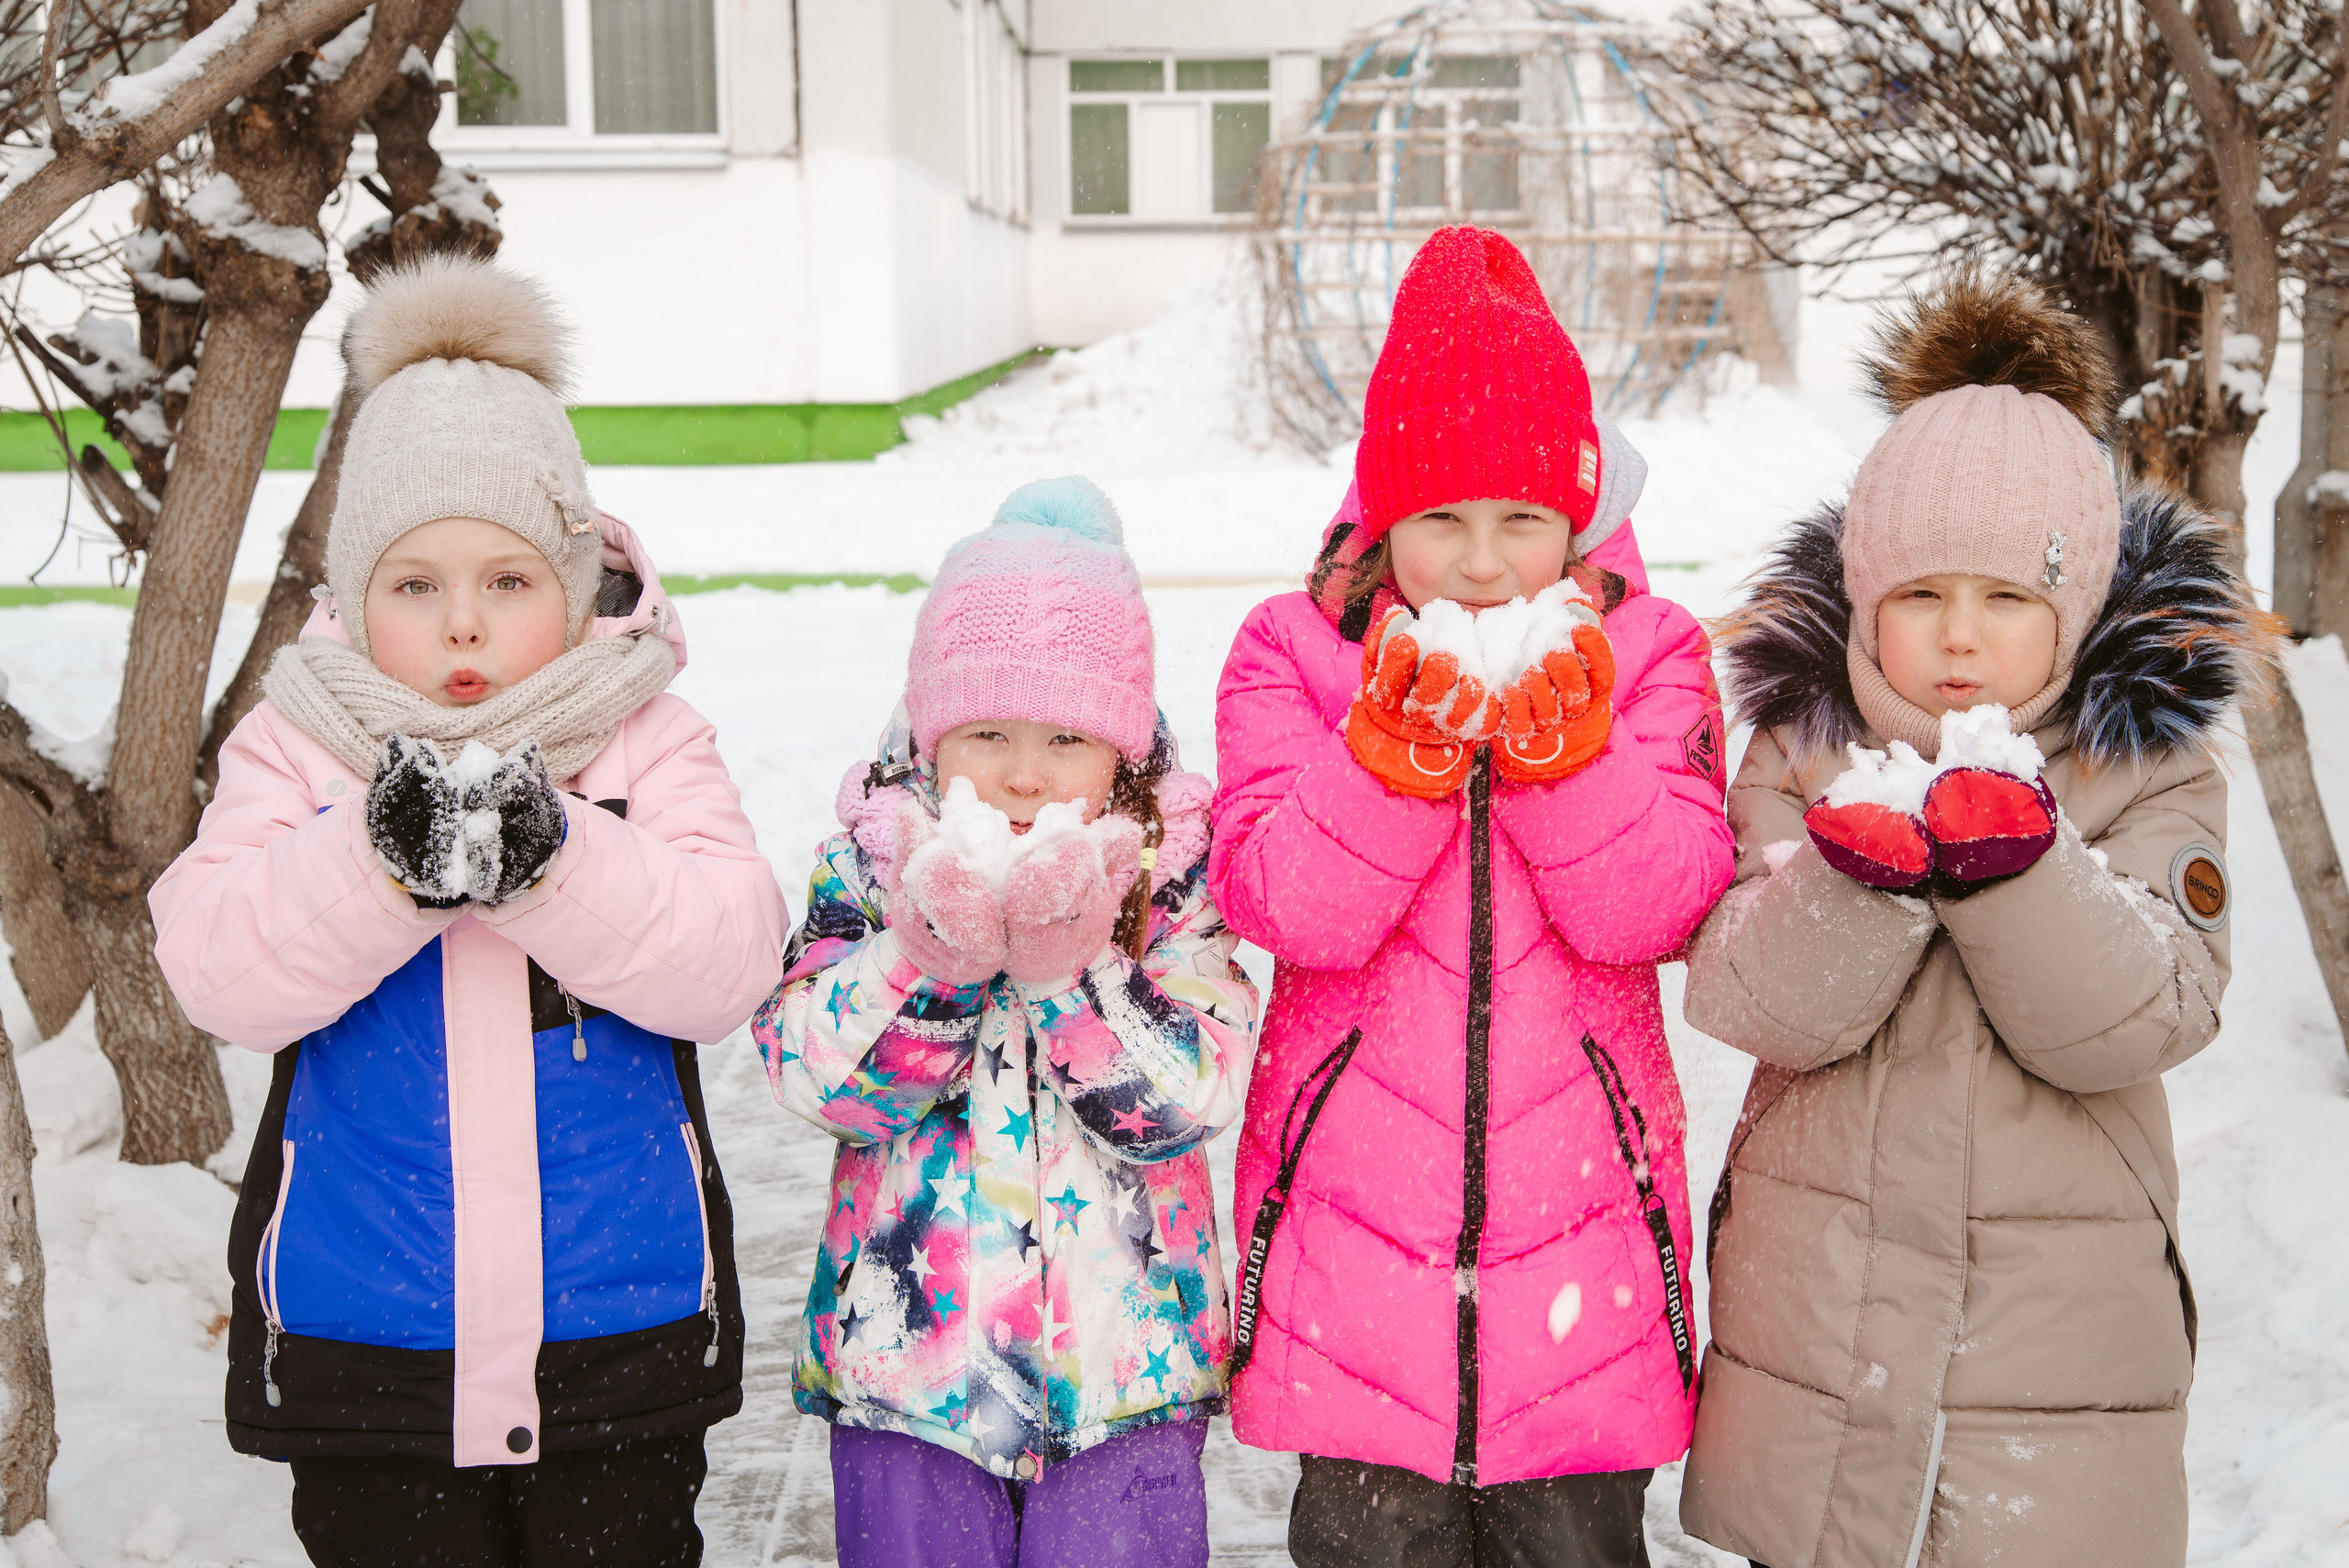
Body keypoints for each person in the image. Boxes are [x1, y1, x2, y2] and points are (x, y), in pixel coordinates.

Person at [150, 255, 786, 1567]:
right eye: (415, 584)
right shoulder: (299, 748)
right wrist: (379, 861)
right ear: (351, 594)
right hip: (373, 1336)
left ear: (571, 577)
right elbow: (220, 971)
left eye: (507, 582)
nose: (463, 629)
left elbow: (728, 960)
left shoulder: (640, 740)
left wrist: (553, 859)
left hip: (616, 1331)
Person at [1676, 271, 2279, 1568]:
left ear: (2074, 603)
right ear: (1864, 595)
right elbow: (1746, 995)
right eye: (1920, 595)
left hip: (2050, 1369)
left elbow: (2148, 1014)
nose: (1959, 638)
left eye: (2007, 598)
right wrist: (1857, 881)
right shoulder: (1803, 750)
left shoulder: (2144, 764)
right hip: (1821, 1348)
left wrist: (2022, 868)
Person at [1207, 224, 1735, 1567]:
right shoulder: (1296, 656)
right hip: (1352, 1260)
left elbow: (1663, 907)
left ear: (1581, 517)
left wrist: (1572, 762)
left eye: (1522, 520)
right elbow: (1281, 901)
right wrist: (1388, 766)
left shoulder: (1654, 655)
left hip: (1586, 1263)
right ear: (1384, 522)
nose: (1485, 563)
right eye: (1441, 519)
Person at [754, 477, 1260, 1568]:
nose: (1025, 773)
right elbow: (813, 1072)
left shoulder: (1168, 879)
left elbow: (1193, 1095)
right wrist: (927, 963)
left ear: (1120, 749)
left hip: (1127, 1378)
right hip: (910, 1376)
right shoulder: (875, 864)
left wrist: (1069, 972)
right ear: (935, 735)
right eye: (987, 729)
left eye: (1067, 738)